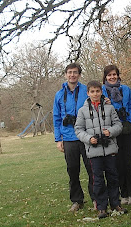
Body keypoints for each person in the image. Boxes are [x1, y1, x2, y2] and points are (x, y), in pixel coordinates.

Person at [75, 80, 128, 219]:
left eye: (98, 91)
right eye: (92, 91)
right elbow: (78, 129)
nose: (95, 94)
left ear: (101, 92)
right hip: (93, 151)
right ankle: (101, 207)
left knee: (113, 177)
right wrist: (88, 139)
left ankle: (115, 203)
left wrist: (109, 132)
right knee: (97, 180)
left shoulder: (110, 108)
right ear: (88, 93)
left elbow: (118, 125)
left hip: (109, 149)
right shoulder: (82, 111)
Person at [53, 63, 95, 212]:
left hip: (86, 135)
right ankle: (77, 200)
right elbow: (56, 118)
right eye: (70, 72)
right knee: (72, 170)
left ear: (79, 75)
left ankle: (96, 198)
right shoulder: (59, 95)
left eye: (75, 72)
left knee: (92, 169)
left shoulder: (86, 90)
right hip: (69, 137)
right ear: (65, 75)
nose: (72, 75)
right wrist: (58, 139)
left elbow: (98, 101)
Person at [102, 65, 131, 205]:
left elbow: (130, 106)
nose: (112, 77)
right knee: (117, 164)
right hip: (111, 130)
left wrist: (130, 121)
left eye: (114, 74)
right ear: (105, 77)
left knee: (129, 162)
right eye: (109, 75)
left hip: (126, 127)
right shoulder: (103, 91)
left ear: (118, 75)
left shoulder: (126, 89)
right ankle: (123, 194)